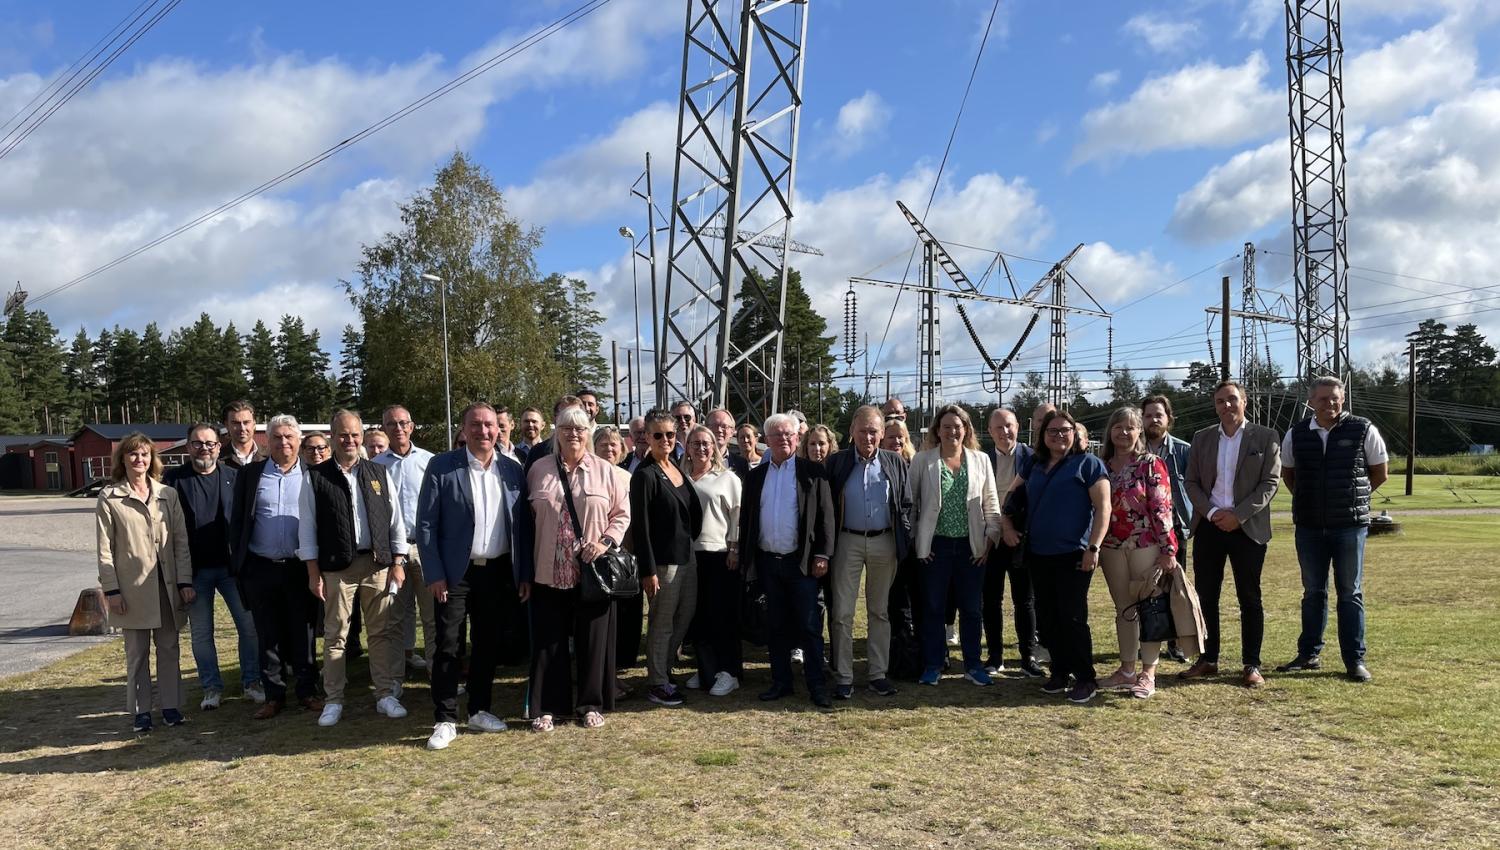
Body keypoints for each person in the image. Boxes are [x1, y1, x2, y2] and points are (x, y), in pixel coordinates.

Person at [416, 402, 525, 749]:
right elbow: (426, 524)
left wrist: (521, 573)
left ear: (499, 429)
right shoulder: (441, 466)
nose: (483, 431)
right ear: (463, 429)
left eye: (490, 425)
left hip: (496, 572)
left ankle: (479, 710)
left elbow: (521, 527)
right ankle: (445, 718)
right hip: (453, 574)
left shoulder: (512, 470)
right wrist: (434, 573)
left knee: (487, 643)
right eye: (475, 425)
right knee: (449, 645)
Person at [519, 405, 630, 730]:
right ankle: (549, 707)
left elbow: (622, 514)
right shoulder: (538, 469)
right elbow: (526, 521)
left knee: (592, 642)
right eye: (566, 427)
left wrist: (605, 542)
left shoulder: (605, 471)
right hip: (547, 571)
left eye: (580, 428)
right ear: (556, 431)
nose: (573, 434)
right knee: (549, 641)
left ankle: (590, 704)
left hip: (591, 571)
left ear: (590, 432)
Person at [298, 410, 410, 727]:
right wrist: (313, 572)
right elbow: (307, 529)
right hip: (336, 568)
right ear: (333, 437)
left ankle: (385, 694)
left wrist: (398, 563)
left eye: (354, 434)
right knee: (336, 635)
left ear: (362, 436)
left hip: (377, 564)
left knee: (382, 632)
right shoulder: (315, 477)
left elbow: (395, 521)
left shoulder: (378, 473)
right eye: (343, 435)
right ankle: (334, 700)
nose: (349, 440)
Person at [1277, 376, 1387, 683]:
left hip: (1349, 526)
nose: (1331, 404)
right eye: (1324, 399)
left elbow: (1379, 473)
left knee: (1350, 593)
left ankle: (1354, 660)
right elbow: (1289, 475)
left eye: (1336, 398)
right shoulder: (1296, 434)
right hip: (1309, 526)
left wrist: (1352, 499)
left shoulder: (1363, 429)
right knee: (1313, 593)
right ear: (1311, 402)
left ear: (1343, 399)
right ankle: (1308, 654)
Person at [1002, 408, 1109, 704]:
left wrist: (1094, 547)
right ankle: (1059, 672)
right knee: (1048, 618)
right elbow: (1010, 499)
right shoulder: (1034, 464)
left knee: (1072, 617)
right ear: (1042, 436)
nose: (1059, 435)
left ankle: (1085, 677)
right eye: (1052, 431)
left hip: (1075, 554)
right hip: (1039, 553)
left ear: (1074, 434)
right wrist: (1007, 526)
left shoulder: (1089, 464)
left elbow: (1104, 508)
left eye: (1065, 430)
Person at [1180, 381, 1281, 688]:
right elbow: (1192, 482)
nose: (1227, 405)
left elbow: (1270, 482)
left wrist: (1238, 515)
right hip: (1210, 527)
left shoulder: (1266, 437)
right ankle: (1208, 660)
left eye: (1232, 399)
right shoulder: (1202, 438)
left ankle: (1251, 664)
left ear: (1244, 402)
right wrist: (1212, 514)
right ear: (1215, 405)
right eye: (1220, 401)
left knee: (1249, 597)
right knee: (1206, 596)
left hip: (1247, 528)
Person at [97, 433, 195, 733]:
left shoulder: (168, 494)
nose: (139, 460)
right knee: (137, 654)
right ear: (123, 459)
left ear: (152, 459)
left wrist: (185, 581)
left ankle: (170, 706)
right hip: (131, 590)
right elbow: (105, 550)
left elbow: (180, 541)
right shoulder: (110, 497)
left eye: (144, 455)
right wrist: (112, 590)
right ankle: (141, 711)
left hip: (166, 587)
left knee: (168, 647)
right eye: (133, 454)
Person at [164, 422, 262, 710]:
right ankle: (211, 688)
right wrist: (180, 579)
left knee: (248, 626)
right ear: (188, 446)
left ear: (219, 447)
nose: (204, 448)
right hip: (195, 572)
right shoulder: (173, 481)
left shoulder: (235, 476)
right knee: (202, 634)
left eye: (209, 443)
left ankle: (252, 681)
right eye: (197, 443)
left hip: (232, 569)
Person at [740, 412, 835, 708]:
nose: (783, 439)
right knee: (776, 627)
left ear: (797, 438)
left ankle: (816, 685)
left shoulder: (812, 472)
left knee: (808, 627)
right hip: (769, 562)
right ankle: (781, 682)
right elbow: (748, 520)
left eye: (788, 434)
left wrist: (822, 554)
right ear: (766, 440)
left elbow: (826, 518)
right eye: (776, 434)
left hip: (802, 563)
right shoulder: (755, 477)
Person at [231, 414, 322, 720]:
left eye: (289, 437)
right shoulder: (251, 475)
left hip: (301, 567)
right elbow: (238, 521)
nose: (283, 442)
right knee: (267, 634)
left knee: (304, 633)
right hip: (261, 567)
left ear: (299, 441)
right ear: (266, 442)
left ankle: (308, 692)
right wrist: (241, 565)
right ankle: (274, 696)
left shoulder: (314, 474)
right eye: (277, 437)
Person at [909, 404, 1002, 687]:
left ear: (966, 430)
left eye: (957, 426)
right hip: (935, 548)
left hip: (971, 548)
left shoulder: (981, 460)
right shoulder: (922, 461)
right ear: (937, 430)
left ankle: (973, 665)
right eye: (946, 426)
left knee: (972, 609)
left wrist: (990, 539)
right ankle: (934, 664)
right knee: (934, 608)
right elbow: (911, 505)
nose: (952, 431)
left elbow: (991, 503)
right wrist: (918, 543)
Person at [1097, 407, 1184, 699]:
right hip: (1111, 547)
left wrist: (1168, 548)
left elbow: (1162, 508)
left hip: (1146, 545)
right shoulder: (1101, 466)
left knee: (1149, 607)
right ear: (1110, 432)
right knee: (1124, 609)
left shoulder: (1150, 464)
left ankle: (1148, 672)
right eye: (1118, 427)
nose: (1124, 432)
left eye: (1130, 427)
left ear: (1139, 432)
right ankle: (1126, 669)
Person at [825, 405, 912, 698]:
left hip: (884, 542)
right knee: (842, 612)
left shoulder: (894, 462)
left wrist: (904, 535)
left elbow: (906, 503)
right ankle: (844, 677)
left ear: (882, 433)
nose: (868, 436)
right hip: (847, 542)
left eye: (874, 431)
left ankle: (877, 674)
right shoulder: (836, 463)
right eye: (862, 430)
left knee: (879, 611)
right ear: (852, 431)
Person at [630, 410, 704, 706]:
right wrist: (648, 570)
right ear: (646, 437)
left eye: (670, 435)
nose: (664, 440)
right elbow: (642, 527)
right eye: (657, 435)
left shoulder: (675, 466)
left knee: (684, 616)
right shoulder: (644, 475)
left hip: (687, 557)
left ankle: (664, 670)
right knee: (662, 622)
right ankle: (657, 681)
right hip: (662, 563)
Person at [372, 405, 437, 676]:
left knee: (433, 618)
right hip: (391, 554)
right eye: (391, 424)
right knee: (395, 618)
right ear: (384, 428)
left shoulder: (430, 461)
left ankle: (439, 677)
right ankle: (396, 679)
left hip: (425, 548)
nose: (398, 428)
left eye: (402, 423)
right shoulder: (375, 467)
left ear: (411, 426)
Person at [684, 424, 744, 696]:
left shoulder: (727, 478)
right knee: (698, 618)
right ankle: (707, 669)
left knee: (722, 616)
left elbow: (737, 518)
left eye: (706, 443)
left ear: (714, 447)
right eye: (695, 443)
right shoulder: (680, 477)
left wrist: (734, 549)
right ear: (687, 447)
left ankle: (728, 672)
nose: (701, 448)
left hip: (719, 556)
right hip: (689, 556)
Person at [982, 408, 1042, 678]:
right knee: (991, 600)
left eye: (1009, 426)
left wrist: (1016, 530)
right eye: (998, 428)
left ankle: (1028, 656)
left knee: (1024, 601)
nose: (1004, 432)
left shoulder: (1033, 458)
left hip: (1022, 539)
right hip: (991, 539)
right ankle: (995, 656)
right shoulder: (981, 460)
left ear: (1019, 426)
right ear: (989, 431)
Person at [1141, 394, 1193, 664]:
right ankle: (1148, 640)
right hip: (1141, 535)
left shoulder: (1183, 451)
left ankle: (1176, 644)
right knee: (1147, 588)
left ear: (1169, 419)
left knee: (1174, 588)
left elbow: (1195, 488)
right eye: (1148, 415)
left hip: (1175, 531)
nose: (1153, 420)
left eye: (1158, 415)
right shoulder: (1134, 451)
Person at [595, 425, 643, 680]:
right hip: (597, 554)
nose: (609, 448)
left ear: (623, 449)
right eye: (603, 444)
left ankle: (624, 658)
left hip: (626, 553)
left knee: (627, 609)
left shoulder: (628, 477)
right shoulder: (588, 475)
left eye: (614, 444)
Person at [706, 407, 750, 478]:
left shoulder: (741, 463)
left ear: (732, 432)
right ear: (706, 429)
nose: (719, 430)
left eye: (724, 426)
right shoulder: (696, 460)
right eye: (714, 426)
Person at [221, 399, 264, 469]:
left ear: (254, 424)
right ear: (227, 425)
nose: (242, 428)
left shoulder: (271, 457)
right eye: (236, 423)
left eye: (246, 422)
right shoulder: (218, 460)